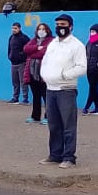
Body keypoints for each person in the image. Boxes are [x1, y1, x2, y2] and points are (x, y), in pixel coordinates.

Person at [40, 13, 87, 169]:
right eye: (58, 24)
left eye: (63, 24)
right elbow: (45, 61)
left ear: (70, 26)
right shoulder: (53, 43)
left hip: (66, 89)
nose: (60, 27)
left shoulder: (77, 46)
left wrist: (64, 75)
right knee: (53, 124)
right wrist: (44, 75)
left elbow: (82, 67)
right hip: (50, 89)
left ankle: (69, 157)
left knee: (68, 125)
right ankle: (55, 154)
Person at [22, 23, 51, 124]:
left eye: (43, 29)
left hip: (44, 74)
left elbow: (45, 52)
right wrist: (36, 47)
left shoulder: (51, 40)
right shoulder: (34, 40)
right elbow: (25, 49)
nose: (41, 31)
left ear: (47, 31)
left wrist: (33, 52)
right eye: (39, 29)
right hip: (32, 72)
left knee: (46, 96)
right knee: (35, 95)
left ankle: (49, 117)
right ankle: (35, 116)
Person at [7, 22, 30, 103]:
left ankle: (25, 99)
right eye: (13, 28)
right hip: (13, 63)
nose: (14, 30)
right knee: (15, 82)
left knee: (23, 81)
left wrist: (22, 56)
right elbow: (9, 49)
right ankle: (15, 97)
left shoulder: (24, 38)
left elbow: (28, 48)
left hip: (22, 63)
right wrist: (10, 56)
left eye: (15, 28)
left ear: (19, 29)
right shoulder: (11, 38)